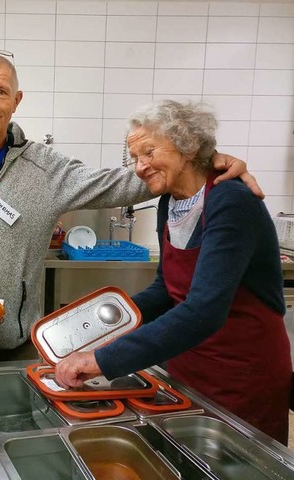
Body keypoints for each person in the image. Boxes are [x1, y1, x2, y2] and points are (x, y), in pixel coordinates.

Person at [0, 48, 262, 478]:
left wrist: (207, 160)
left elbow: (131, 178)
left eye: (1, 91)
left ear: (17, 100)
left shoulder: (47, 168)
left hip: (12, 345)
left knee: (6, 453)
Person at [55, 100, 291, 445]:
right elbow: (167, 289)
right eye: (135, 157)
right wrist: (100, 324)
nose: (139, 167)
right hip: (188, 364)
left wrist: (103, 359)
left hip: (240, 371)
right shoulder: (171, 201)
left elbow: (204, 310)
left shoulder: (231, 201)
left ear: (189, 146)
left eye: (148, 152)